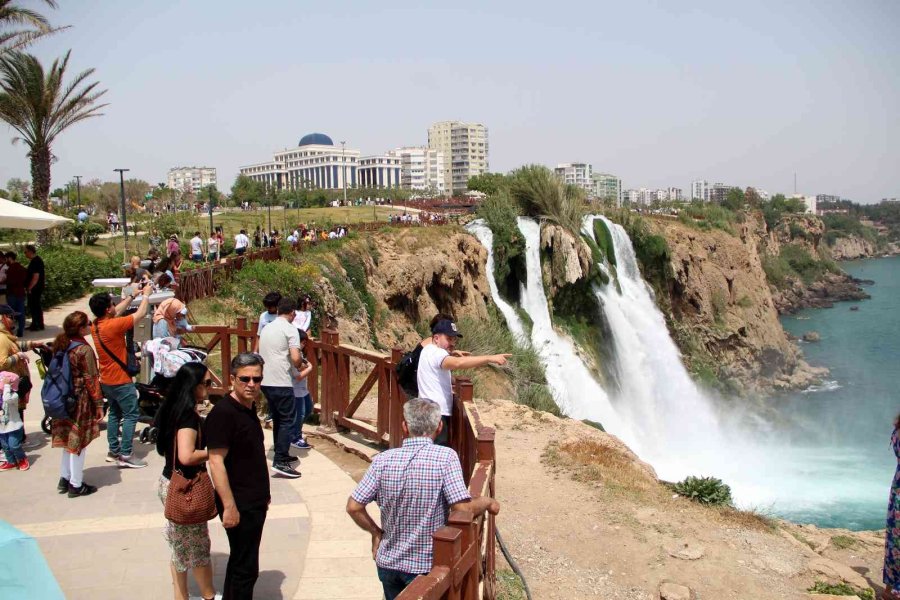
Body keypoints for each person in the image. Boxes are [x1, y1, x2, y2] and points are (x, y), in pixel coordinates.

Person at [346, 398, 500, 600]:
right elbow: (462, 507)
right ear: (439, 426)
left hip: (388, 563)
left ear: (404, 427)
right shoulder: (445, 457)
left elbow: (353, 506)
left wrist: (375, 532)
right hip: (426, 566)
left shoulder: (382, 461)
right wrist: (487, 502)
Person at [205, 353, 270, 600]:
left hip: (254, 500)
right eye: (245, 379)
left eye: (257, 379)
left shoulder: (248, 408)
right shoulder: (223, 414)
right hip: (239, 502)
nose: (251, 384)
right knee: (246, 568)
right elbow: (216, 462)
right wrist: (229, 506)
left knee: (242, 561)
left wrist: (264, 494)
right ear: (232, 379)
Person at [155, 362, 218, 600]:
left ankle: (180, 595)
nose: (210, 388)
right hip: (185, 487)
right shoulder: (188, 417)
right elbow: (186, 455)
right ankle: (208, 595)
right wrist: (214, 451)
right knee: (198, 546)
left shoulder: (170, 408)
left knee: (179, 545)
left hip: (169, 481)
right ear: (194, 386)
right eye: (207, 383)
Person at [416, 319, 510, 446]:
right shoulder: (437, 353)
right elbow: (458, 363)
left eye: (454, 339)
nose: (453, 343)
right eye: (449, 339)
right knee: (437, 451)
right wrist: (489, 358)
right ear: (436, 338)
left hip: (426, 410)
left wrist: (452, 353)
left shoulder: (427, 350)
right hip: (437, 414)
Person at [89, 285, 152, 468]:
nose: (114, 306)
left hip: (106, 380)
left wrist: (132, 296)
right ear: (108, 309)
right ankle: (126, 454)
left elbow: (116, 311)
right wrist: (146, 296)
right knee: (131, 414)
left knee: (115, 413)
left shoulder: (96, 325)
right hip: (121, 380)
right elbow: (139, 315)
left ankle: (114, 451)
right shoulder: (114, 325)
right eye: (112, 304)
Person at [51, 311, 104, 497]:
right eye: (88, 323)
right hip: (79, 400)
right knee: (78, 442)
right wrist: (99, 404)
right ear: (81, 328)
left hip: (62, 399)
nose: (91, 325)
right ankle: (76, 484)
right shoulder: (84, 349)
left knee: (67, 440)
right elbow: (91, 378)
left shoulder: (61, 344)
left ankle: (64, 478)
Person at [257, 298, 302, 478]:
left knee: (278, 418)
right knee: (288, 420)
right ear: (292, 313)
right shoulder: (290, 329)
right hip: (281, 380)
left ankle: (280, 451)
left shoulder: (268, 326)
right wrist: (300, 364)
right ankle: (281, 460)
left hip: (266, 380)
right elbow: (296, 358)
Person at [0, 305, 43, 442]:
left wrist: (32, 344)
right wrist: (19, 356)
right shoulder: (1, 338)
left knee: (17, 413)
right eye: (11, 317)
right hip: (10, 387)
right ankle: (15, 446)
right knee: (13, 417)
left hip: (15, 386)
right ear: (2, 318)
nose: (14, 320)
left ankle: (19, 439)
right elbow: (2, 362)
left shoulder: (6, 336)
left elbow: (15, 346)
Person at [290, 330, 313, 450]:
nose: (303, 344)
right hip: (295, 389)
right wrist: (310, 368)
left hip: (303, 389)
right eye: (303, 342)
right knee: (300, 413)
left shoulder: (300, 354)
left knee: (308, 409)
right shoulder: (293, 355)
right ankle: (294, 437)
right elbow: (297, 376)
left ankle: (295, 432)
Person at [0, 372, 28, 471]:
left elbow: (6, 399)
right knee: (6, 447)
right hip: (2, 428)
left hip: (14, 427)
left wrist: (6, 385)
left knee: (14, 446)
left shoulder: (13, 396)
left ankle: (22, 459)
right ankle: (11, 461)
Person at [4, 252, 27, 337]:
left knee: (10, 313)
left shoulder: (11, 269)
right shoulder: (21, 268)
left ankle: (10, 331)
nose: (5, 261)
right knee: (21, 312)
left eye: (6, 259)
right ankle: (20, 330)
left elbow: (10, 281)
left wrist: (4, 280)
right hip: (21, 292)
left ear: (9, 258)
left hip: (12, 293)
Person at [24, 245, 45, 331]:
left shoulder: (36, 261)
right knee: (36, 306)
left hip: (35, 288)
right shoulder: (36, 260)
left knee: (34, 306)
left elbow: (35, 277)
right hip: (37, 287)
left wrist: (29, 288)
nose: (25, 254)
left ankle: (36, 325)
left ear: (30, 251)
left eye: (25, 252)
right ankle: (38, 323)